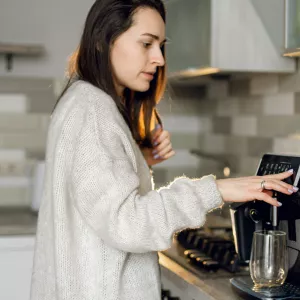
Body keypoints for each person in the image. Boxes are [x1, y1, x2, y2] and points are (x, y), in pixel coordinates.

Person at [30, 0, 298, 299]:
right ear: (101, 42)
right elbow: (127, 224)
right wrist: (216, 190)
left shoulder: (83, 102)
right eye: (146, 44)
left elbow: (97, 204)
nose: (158, 58)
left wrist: (138, 161)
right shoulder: (92, 111)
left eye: (160, 45)